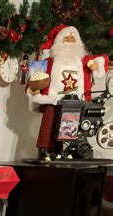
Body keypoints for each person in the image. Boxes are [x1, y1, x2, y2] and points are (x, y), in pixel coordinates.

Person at [27, 24, 108, 159]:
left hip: (74, 101)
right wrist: (34, 91)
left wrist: (95, 65)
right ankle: (42, 151)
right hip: (53, 99)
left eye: (73, 38)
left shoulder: (83, 60)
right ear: (58, 41)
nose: (70, 40)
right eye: (67, 38)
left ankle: (60, 152)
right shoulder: (49, 61)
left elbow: (102, 59)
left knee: (67, 128)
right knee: (48, 125)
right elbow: (34, 79)